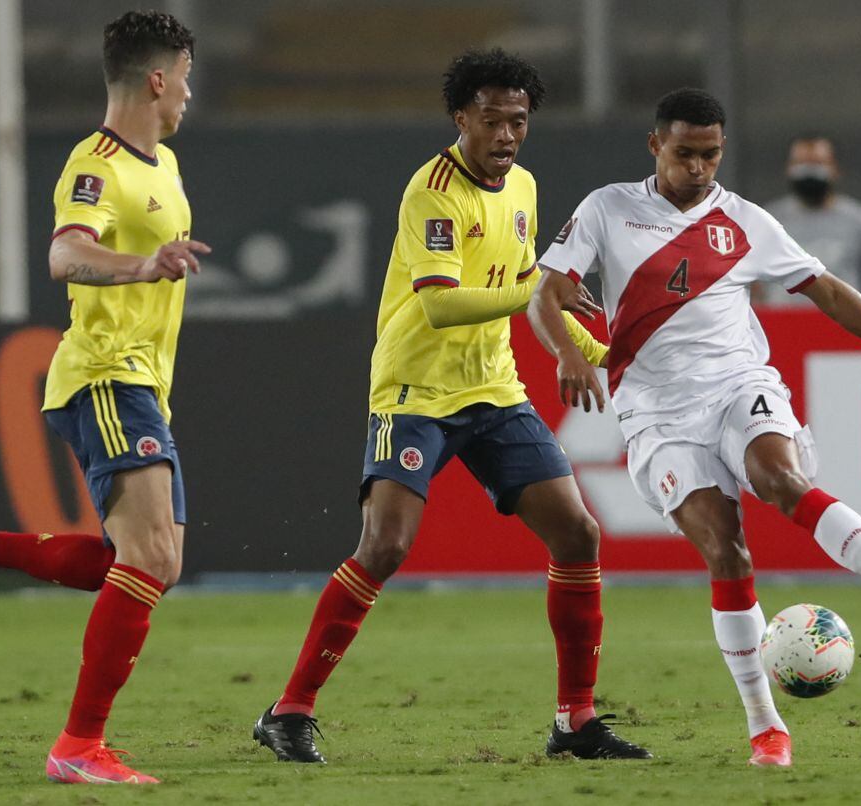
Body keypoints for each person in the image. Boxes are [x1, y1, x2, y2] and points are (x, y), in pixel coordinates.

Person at [527, 88, 861, 768]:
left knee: (781, 480)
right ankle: (766, 725)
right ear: (655, 147)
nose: (698, 169)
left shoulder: (747, 222)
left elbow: (827, 290)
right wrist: (565, 353)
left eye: (710, 155)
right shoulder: (607, 208)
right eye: (684, 155)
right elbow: (545, 292)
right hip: (658, 413)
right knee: (727, 553)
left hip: (739, 384)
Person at [252, 48, 650, 765]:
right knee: (386, 547)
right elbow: (440, 304)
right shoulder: (430, 191)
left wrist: (600, 352)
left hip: (495, 390)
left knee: (577, 534)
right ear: (461, 118)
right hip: (415, 392)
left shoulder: (523, 186)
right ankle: (289, 711)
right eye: (492, 121)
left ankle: (575, 721)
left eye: (518, 122)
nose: (506, 136)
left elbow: (529, 288)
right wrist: (539, 292)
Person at [0, 11, 209, 785]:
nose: (191, 96)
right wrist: (140, 266)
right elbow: (67, 253)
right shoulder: (92, 164)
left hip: (142, 384)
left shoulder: (161, 164)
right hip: (105, 374)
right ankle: (77, 747)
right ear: (157, 79)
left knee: (148, 565)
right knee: (151, 556)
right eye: (187, 79)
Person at [756, 135, 861, 305]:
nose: (809, 171)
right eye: (801, 163)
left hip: (842, 327)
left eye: (817, 163)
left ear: (835, 169)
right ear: (789, 168)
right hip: (782, 327)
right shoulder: (767, 219)